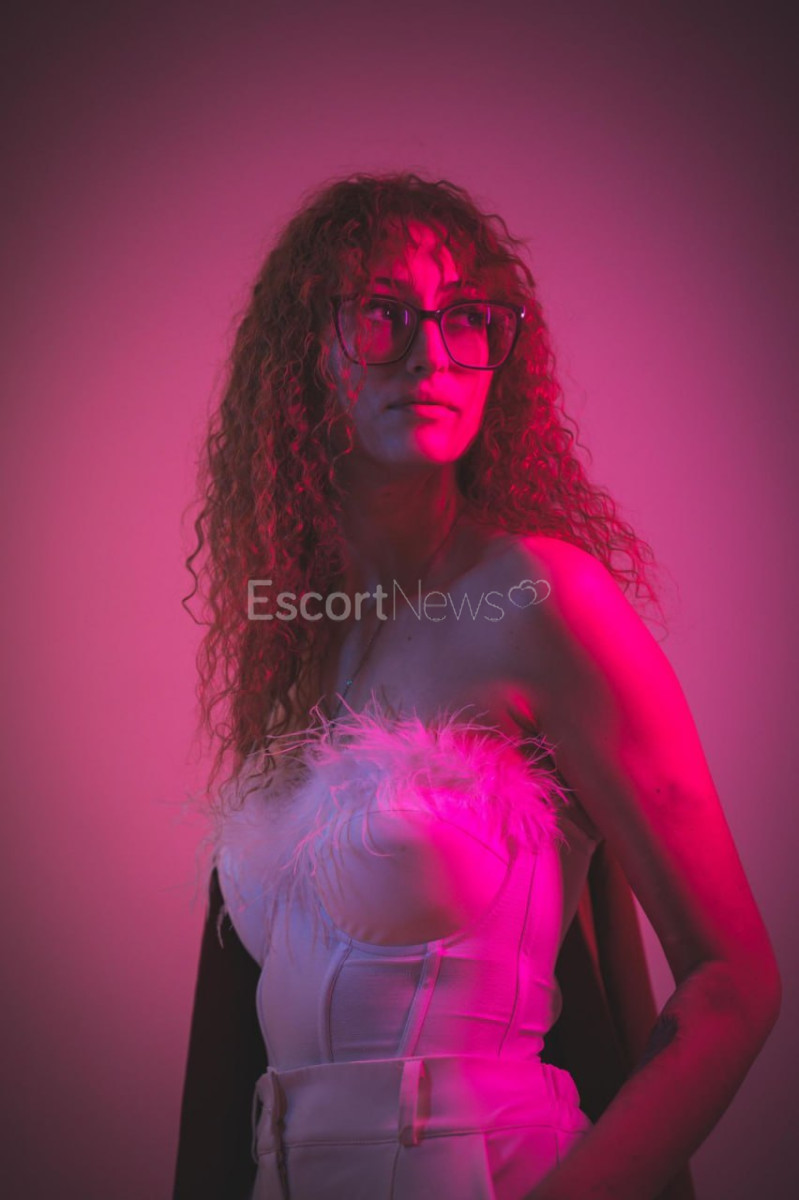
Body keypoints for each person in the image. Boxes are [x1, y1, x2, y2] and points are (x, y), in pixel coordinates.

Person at [174, 173, 780, 1200]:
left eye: (464, 318)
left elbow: (734, 984)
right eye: (381, 312)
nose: (430, 355)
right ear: (305, 349)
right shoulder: (296, 650)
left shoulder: (540, 599)